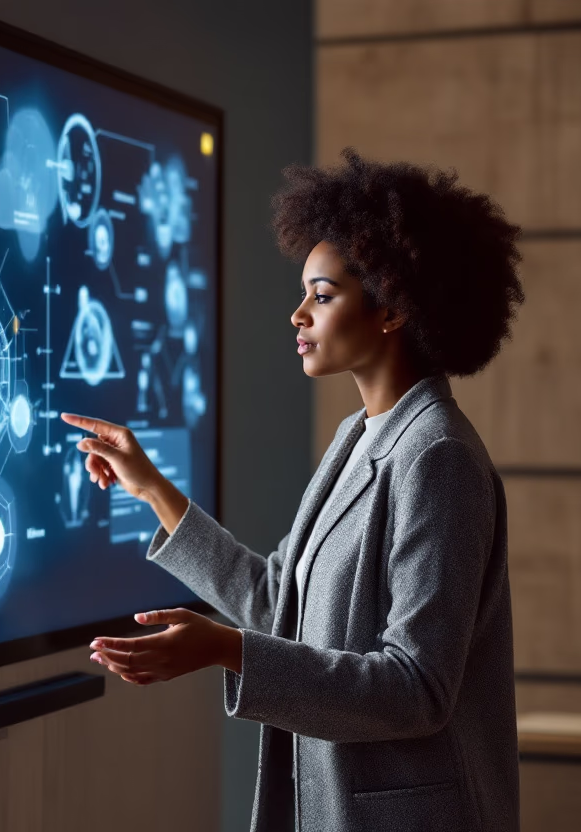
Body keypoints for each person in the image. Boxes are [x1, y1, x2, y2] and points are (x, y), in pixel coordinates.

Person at [64, 148, 525, 832]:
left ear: (392, 307)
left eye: (323, 295)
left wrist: (227, 650)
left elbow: (417, 688)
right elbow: (277, 602)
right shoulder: (355, 439)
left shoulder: (439, 459)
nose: (298, 314)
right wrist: (153, 489)